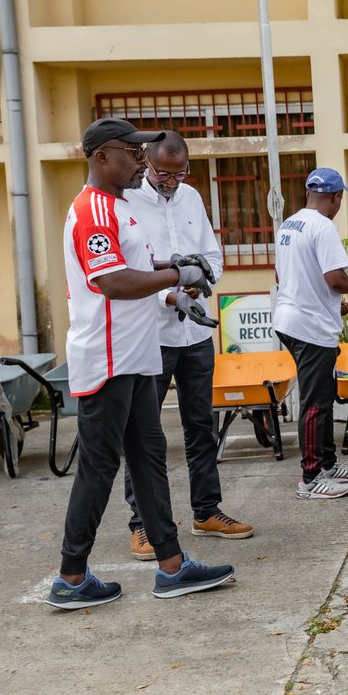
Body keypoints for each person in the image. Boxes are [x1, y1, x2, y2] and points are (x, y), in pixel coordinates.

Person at [46, 118, 233, 609]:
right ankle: (70, 575)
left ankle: (172, 566)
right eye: (133, 152)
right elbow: (112, 283)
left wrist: (175, 294)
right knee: (99, 468)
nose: (141, 161)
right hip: (107, 360)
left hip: (136, 357)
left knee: (149, 461)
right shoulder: (92, 211)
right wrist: (176, 272)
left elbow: (140, 275)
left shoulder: (119, 209)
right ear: (103, 156)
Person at [122, 131, 252, 560]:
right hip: (152, 335)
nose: (172, 181)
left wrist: (199, 283)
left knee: (201, 425)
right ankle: (142, 525)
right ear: (146, 162)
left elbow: (211, 257)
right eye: (164, 173)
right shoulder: (127, 203)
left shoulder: (192, 197)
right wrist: (172, 291)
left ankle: (206, 511)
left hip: (196, 334)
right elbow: (131, 271)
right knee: (143, 432)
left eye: (180, 173)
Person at [274, 168, 348, 500]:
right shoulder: (323, 226)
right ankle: (311, 478)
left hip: (293, 319)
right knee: (316, 403)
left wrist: (333, 307)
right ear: (335, 197)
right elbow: (335, 279)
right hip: (310, 328)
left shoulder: (290, 223)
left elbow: (285, 275)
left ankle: (327, 463)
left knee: (323, 397)